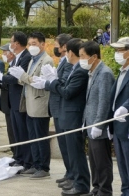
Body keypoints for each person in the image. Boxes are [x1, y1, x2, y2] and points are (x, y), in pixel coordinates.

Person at [39, 38, 90, 195]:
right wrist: (56, 82)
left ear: (71, 53)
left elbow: (67, 92)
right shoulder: (75, 68)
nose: (64, 54)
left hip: (73, 116)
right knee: (72, 152)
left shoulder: (80, 70)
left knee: (76, 153)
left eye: (66, 51)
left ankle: (81, 184)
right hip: (66, 114)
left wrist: (53, 82)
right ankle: (76, 181)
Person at [8, 32, 53, 179]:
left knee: (40, 137)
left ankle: (44, 167)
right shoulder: (33, 60)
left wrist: (23, 76)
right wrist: (20, 77)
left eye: (35, 44)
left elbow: (40, 82)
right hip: (29, 104)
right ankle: (35, 164)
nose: (32, 47)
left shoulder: (46, 60)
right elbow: (26, 80)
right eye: (30, 44)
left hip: (39, 103)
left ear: (42, 44)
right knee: (32, 136)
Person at [0, 31, 32, 170]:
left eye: (11, 42)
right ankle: (19, 157)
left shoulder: (26, 57)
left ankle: (26, 161)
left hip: (19, 100)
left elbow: (15, 78)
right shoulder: (18, 57)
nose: (10, 45)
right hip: (12, 101)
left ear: (16, 44)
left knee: (23, 133)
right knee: (16, 132)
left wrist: (1, 77)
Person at [79, 41, 114, 196]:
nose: (81, 60)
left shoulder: (105, 73)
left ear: (93, 56)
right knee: (93, 161)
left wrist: (99, 125)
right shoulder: (93, 72)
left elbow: (104, 101)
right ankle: (96, 188)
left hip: (98, 126)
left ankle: (105, 190)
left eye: (82, 56)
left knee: (102, 161)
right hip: (90, 123)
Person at [46, 34, 73, 187]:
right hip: (57, 107)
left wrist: (51, 81)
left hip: (63, 107)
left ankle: (73, 175)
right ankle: (69, 172)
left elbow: (62, 84)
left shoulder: (69, 63)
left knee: (68, 145)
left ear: (64, 46)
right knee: (63, 145)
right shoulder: (63, 61)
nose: (55, 47)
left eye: (56, 44)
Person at [109, 37, 129, 196]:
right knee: (122, 164)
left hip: (127, 125)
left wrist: (125, 107)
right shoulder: (122, 71)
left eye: (121, 50)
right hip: (118, 126)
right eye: (116, 50)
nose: (117, 54)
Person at [0, 43, 16, 156]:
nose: (3, 55)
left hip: (12, 104)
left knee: (14, 132)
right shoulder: (10, 65)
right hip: (7, 105)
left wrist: (1, 78)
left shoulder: (15, 65)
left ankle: (17, 154)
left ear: (11, 53)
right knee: (11, 132)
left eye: (5, 52)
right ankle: (15, 154)